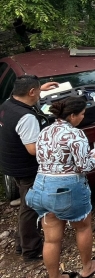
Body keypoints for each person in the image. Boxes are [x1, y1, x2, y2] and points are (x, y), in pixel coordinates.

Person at [26, 96, 95, 278]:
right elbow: (83, 166)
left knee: (51, 239)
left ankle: (55, 276)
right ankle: (87, 267)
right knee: (83, 227)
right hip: (67, 188)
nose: (83, 118)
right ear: (72, 115)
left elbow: (41, 159)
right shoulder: (76, 134)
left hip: (41, 186)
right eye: (82, 114)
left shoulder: (44, 132)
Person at [0, 75, 58, 262]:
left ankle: (21, 243)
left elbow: (23, 98)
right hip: (27, 167)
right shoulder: (27, 117)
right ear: (31, 92)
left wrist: (43, 89)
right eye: (38, 90)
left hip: (12, 163)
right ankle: (30, 249)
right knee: (30, 207)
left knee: (27, 204)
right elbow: (33, 149)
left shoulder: (8, 104)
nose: (40, 93)